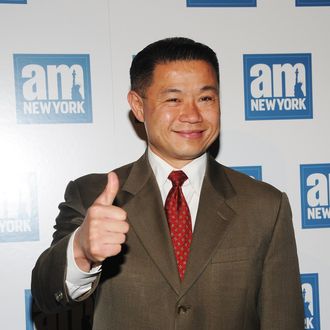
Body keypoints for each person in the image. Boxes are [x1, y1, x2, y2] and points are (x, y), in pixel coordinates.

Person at [32, 37, 304, 329]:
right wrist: (81, 251)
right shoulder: (93, 196)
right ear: (138, 105)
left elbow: (283, 319)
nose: (192, 115)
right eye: (173, 99)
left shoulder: (265, 206)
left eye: (206, 98)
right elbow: (46, 294)